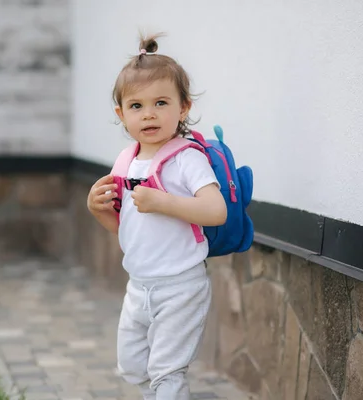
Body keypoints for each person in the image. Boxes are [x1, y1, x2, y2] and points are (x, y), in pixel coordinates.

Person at [86, 33, 227, 399]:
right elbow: (125, 230)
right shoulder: (127, 161)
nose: (148, 113)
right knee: (133, 366)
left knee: (166, 371)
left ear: (183, 108)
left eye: (161, 102)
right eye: (136, 106)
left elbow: (216, 210)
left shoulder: (187, 159)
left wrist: (165, 202)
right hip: (139, 285)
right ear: (121, 114)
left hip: (180, 286)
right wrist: (96, 209)